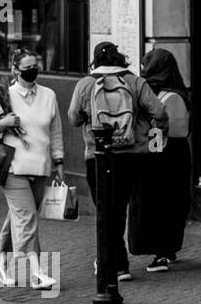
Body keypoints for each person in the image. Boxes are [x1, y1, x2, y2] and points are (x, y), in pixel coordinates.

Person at [67, 42, 166, 282]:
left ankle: (113, 263)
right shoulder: (134, 81)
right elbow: (159, 111)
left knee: (104, 209)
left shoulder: (86, 83)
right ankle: (117, 263)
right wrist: (150, 134)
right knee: (119, 208)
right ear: (119, 58)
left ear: (95, 60)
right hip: (129, 155)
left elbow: (73, 118)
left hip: (97, 156)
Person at [0, 49, 63, 290]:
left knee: (18, 216)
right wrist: (2, 123)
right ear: (14, 70)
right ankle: (37, 273)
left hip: (41, 166)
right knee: (28, 217)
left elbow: (55, 130)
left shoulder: (49, 95)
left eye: (35, 65)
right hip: (13, 168)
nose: (32, 70)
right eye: (27, 67)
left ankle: (0, 265)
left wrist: (59, 160)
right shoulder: (3, 96)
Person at [129, 48, 192, 272]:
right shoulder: (174, 92)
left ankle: (160, 250)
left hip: (161, 152)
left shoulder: (161, 95)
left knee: (158, 201)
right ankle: (166, 248)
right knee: (172, 202)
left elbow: (165, 130)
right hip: (173, 152)